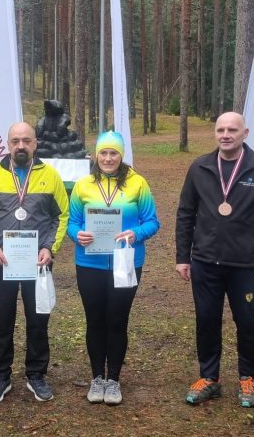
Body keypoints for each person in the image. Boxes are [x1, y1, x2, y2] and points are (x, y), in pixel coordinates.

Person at [175, 111, 254, 408]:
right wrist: (183, 256)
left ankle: (247, 377)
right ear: (215, 133)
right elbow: (186, 214)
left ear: (244, 133)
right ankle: (209, 377)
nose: (226, 135)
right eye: (221, 130)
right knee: (206, 320)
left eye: (232, 130)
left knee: (248, 322)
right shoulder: (200, 167)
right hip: (205, 262)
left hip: (246, 265)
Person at [0, 121, 69, 404]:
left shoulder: (50, 176)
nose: (21, 146)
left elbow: (61, 216)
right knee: (1, 320)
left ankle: (36, 374)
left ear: (35, 143)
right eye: (15, 141)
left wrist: (50, 247)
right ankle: (0, 376)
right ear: (8, 144)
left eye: (26, 140)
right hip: (2, 262)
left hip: (37, 262)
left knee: (38, 319)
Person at [67, 131, 160, 405]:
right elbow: (72, 222)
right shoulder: (83, 185)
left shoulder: (137, 183)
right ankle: (97, 378)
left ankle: (114, 380)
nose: (108, 158)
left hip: (126, 261)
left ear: (121, 155)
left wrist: (135, 233)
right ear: (97, 155)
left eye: (114, 153)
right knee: (95, 320)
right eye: (104, 153)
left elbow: (152, 221)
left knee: (118, 321)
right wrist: (77, 234)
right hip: (90, 263)